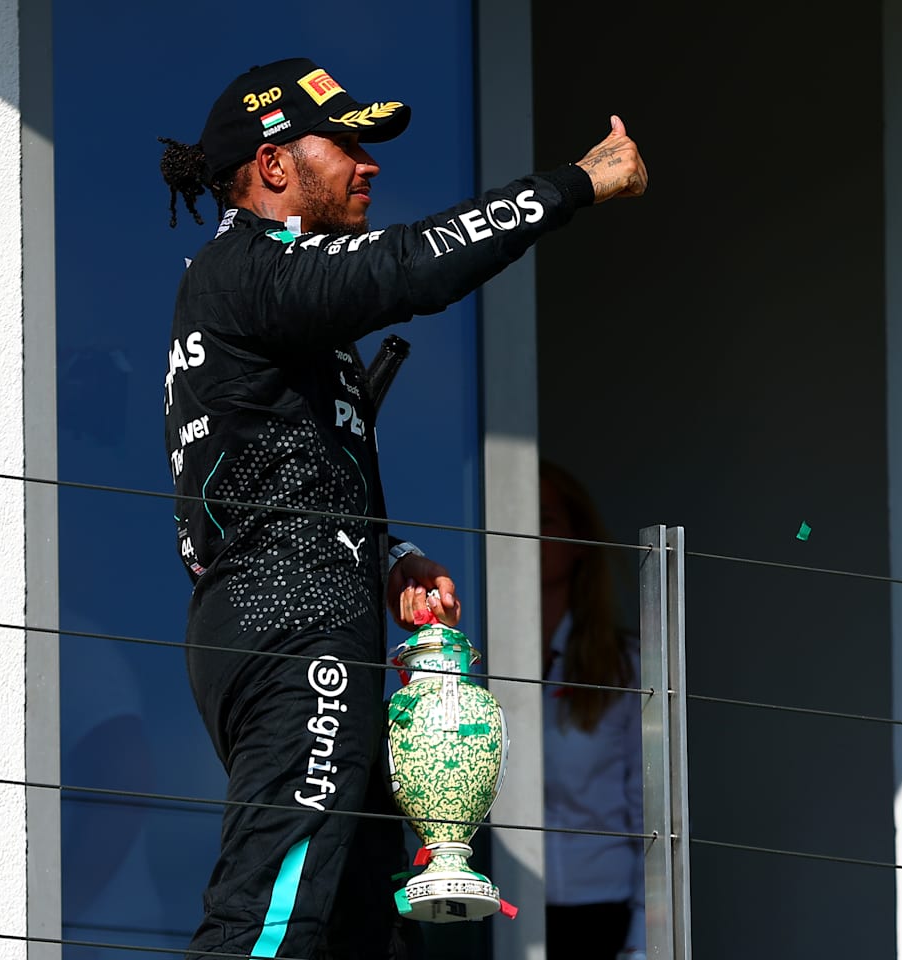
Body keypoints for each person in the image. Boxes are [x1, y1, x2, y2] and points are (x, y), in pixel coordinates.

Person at [157, 56, 647, 960]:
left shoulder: (272, 303)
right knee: (271, 915)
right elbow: (413, 268)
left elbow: (293, 468)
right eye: (344, 143)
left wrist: (392, 560)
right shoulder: (248, 267)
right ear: (273, 166)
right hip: (292, 626)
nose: (367, 163)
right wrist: (578, 183)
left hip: (294, 616)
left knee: (354, 920)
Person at [539, 460, 645, 960]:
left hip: (599, 915)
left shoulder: (624, 669)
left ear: (579, 542)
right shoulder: (470, 662)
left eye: (544, 520)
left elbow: (653, 813)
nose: (525, 535)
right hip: (496, 912)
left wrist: (643, 942)